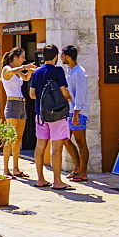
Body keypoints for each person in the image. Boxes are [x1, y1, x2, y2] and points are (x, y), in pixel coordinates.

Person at [30, 44, 74, 190]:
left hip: (41, 114)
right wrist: (69, 99)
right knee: (57, 148)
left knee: (40, 146)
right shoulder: (58, 71)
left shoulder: (37, 73)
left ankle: (40, 179)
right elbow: (63, 91)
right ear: (56, 56)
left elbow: (32, 95)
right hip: (58, 115)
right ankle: (57, 181)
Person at [0, 47, 36, 178]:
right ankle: (5, 169)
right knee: (10, 138)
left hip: (22, 104)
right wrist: (25, 66)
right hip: (12, 104)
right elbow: (13, 70)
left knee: (18, 138)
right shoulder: (7, 69)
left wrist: (30, 71)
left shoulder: (18, 71)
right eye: (22, 57)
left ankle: (16, 168)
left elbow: (26, 78)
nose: (24, 59)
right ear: (15, 58)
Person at [60, 45, 90, 182]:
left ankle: (83, 172)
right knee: (65, 139)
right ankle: (77, 168)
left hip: (78, 111)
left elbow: (81, 93)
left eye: (62, 55)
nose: (61, 57)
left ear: (68, 57)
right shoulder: (70, 71)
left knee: (80, 141)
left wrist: (77, 113)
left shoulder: (79, 72)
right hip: (70, 111)